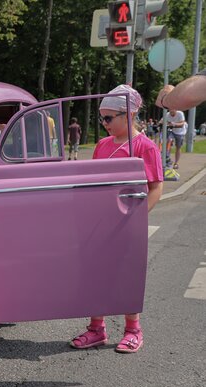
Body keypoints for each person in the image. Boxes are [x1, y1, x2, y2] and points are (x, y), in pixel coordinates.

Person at [70, 85, 163, 353]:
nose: (104, 124)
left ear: (130, 114)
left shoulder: (146, 147)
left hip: (127, 225)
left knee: (127, 276)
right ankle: (96, 329)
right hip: (99, 225)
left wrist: (137, 219)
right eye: (102, 118)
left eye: (109, 118)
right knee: (96, 273)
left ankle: (133, 329)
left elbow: (156, 187)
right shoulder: (102, 145)